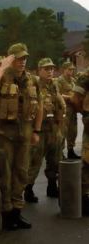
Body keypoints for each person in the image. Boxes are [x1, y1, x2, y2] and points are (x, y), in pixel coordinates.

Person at [0, 43, 43, 230]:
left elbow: (39, 106)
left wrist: (36, 131)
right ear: (10, 59)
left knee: (21, 173)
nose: (22, 61)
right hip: (4, 135)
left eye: (24, 58)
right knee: (5, 174)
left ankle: (17, 211)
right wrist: (2, 68)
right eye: (18, 58)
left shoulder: (32, 80)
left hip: (24, 134)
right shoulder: (2, 77)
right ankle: (6, 212)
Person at [25, 58, 66, 203]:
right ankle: (28, 188)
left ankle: (51, 186)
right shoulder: (33, 85)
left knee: (55, 160)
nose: (50, 72)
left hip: (54, 129)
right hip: (40, 130)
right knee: (34, 161)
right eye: (46, 69)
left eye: (52, 69)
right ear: (39, 70)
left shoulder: (54, 84)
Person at [71, 69, 89, 215]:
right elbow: (76, 99)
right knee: (88, 159)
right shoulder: (86, 75)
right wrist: (85, 114)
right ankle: (85, 196)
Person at [56, 60, 80, 159]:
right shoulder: (59, 81)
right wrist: (69, 97)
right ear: (64, 70)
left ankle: (71, 150)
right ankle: (60, 153)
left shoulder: (73, 81)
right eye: (69, 69)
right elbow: (57, 94)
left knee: (73, 131)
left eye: (73, 70)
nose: (71, 72)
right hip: (64, 110)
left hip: (73, 109)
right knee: (63, 131)